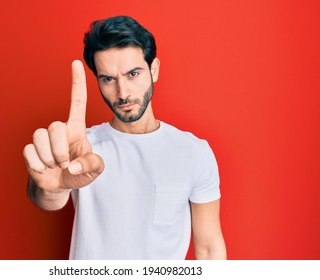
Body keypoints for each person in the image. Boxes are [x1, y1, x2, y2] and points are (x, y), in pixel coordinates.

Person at [23, 15, 226, 260]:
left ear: (154, 70)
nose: (123, 93)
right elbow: (45, 199)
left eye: (133, 74)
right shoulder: (82, 149)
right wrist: (54, 188)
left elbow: (209, 249)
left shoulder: (193, 152)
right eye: (108, 79)